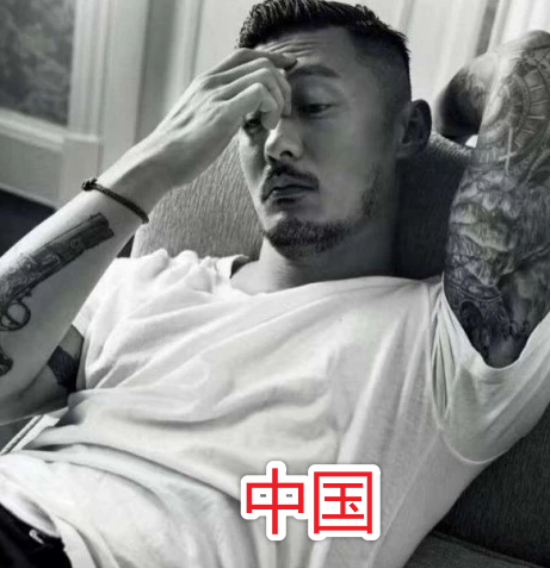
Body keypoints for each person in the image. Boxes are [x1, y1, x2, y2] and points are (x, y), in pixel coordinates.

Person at [0, 1, 548, 567]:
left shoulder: (446, 351)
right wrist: (152, 164)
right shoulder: (144, 281)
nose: (276, 144)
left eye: (313, 106)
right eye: (253, 120)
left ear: (407, 130)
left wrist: (454, 109)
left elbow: (536, 66)